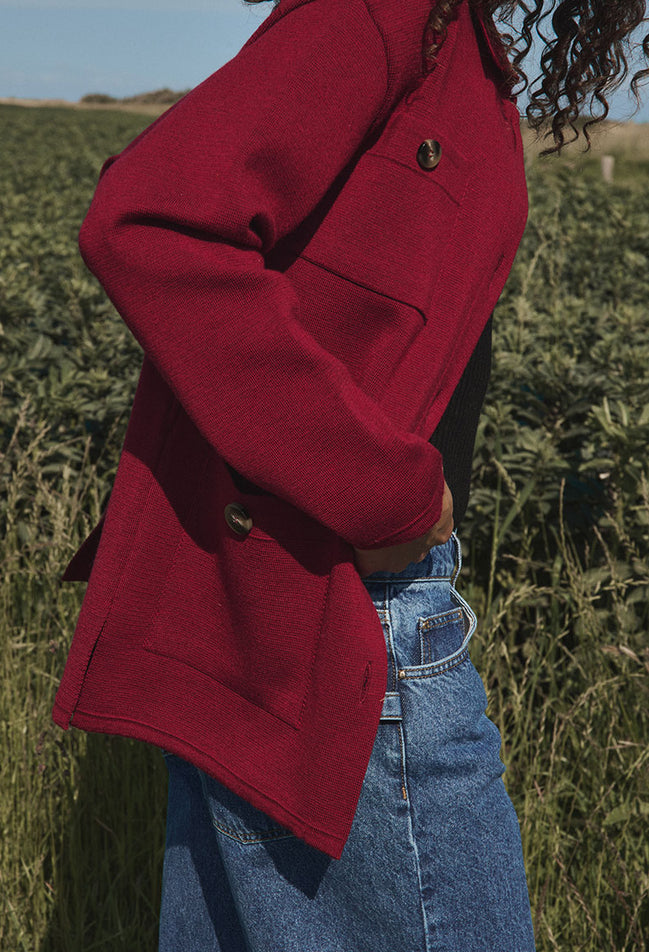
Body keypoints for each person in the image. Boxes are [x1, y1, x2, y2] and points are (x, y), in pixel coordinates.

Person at [52, 1, 648, 949]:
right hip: (346, 619)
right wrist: (386, 492)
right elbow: (151, 217)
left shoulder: (460, 44)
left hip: (300, 608)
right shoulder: (385, 10)